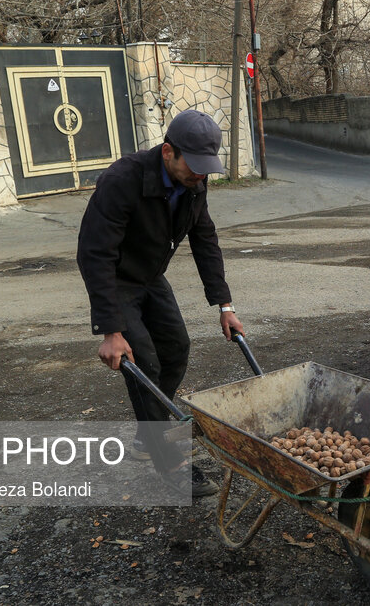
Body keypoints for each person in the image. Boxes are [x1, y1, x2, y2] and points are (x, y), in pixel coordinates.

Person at [76, 109, 244, 498]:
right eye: (195, 166)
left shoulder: (194, 183)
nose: (200, 175)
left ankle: (146, 433)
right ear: (168, 151)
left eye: (206, 168)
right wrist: (111, 330)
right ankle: (169, 463)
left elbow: (206, 240)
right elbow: (95, 254)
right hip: (117, 278)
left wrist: (224, 305)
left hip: (150, 277)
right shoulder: (123, 180)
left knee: (175, 352)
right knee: (143, 363)